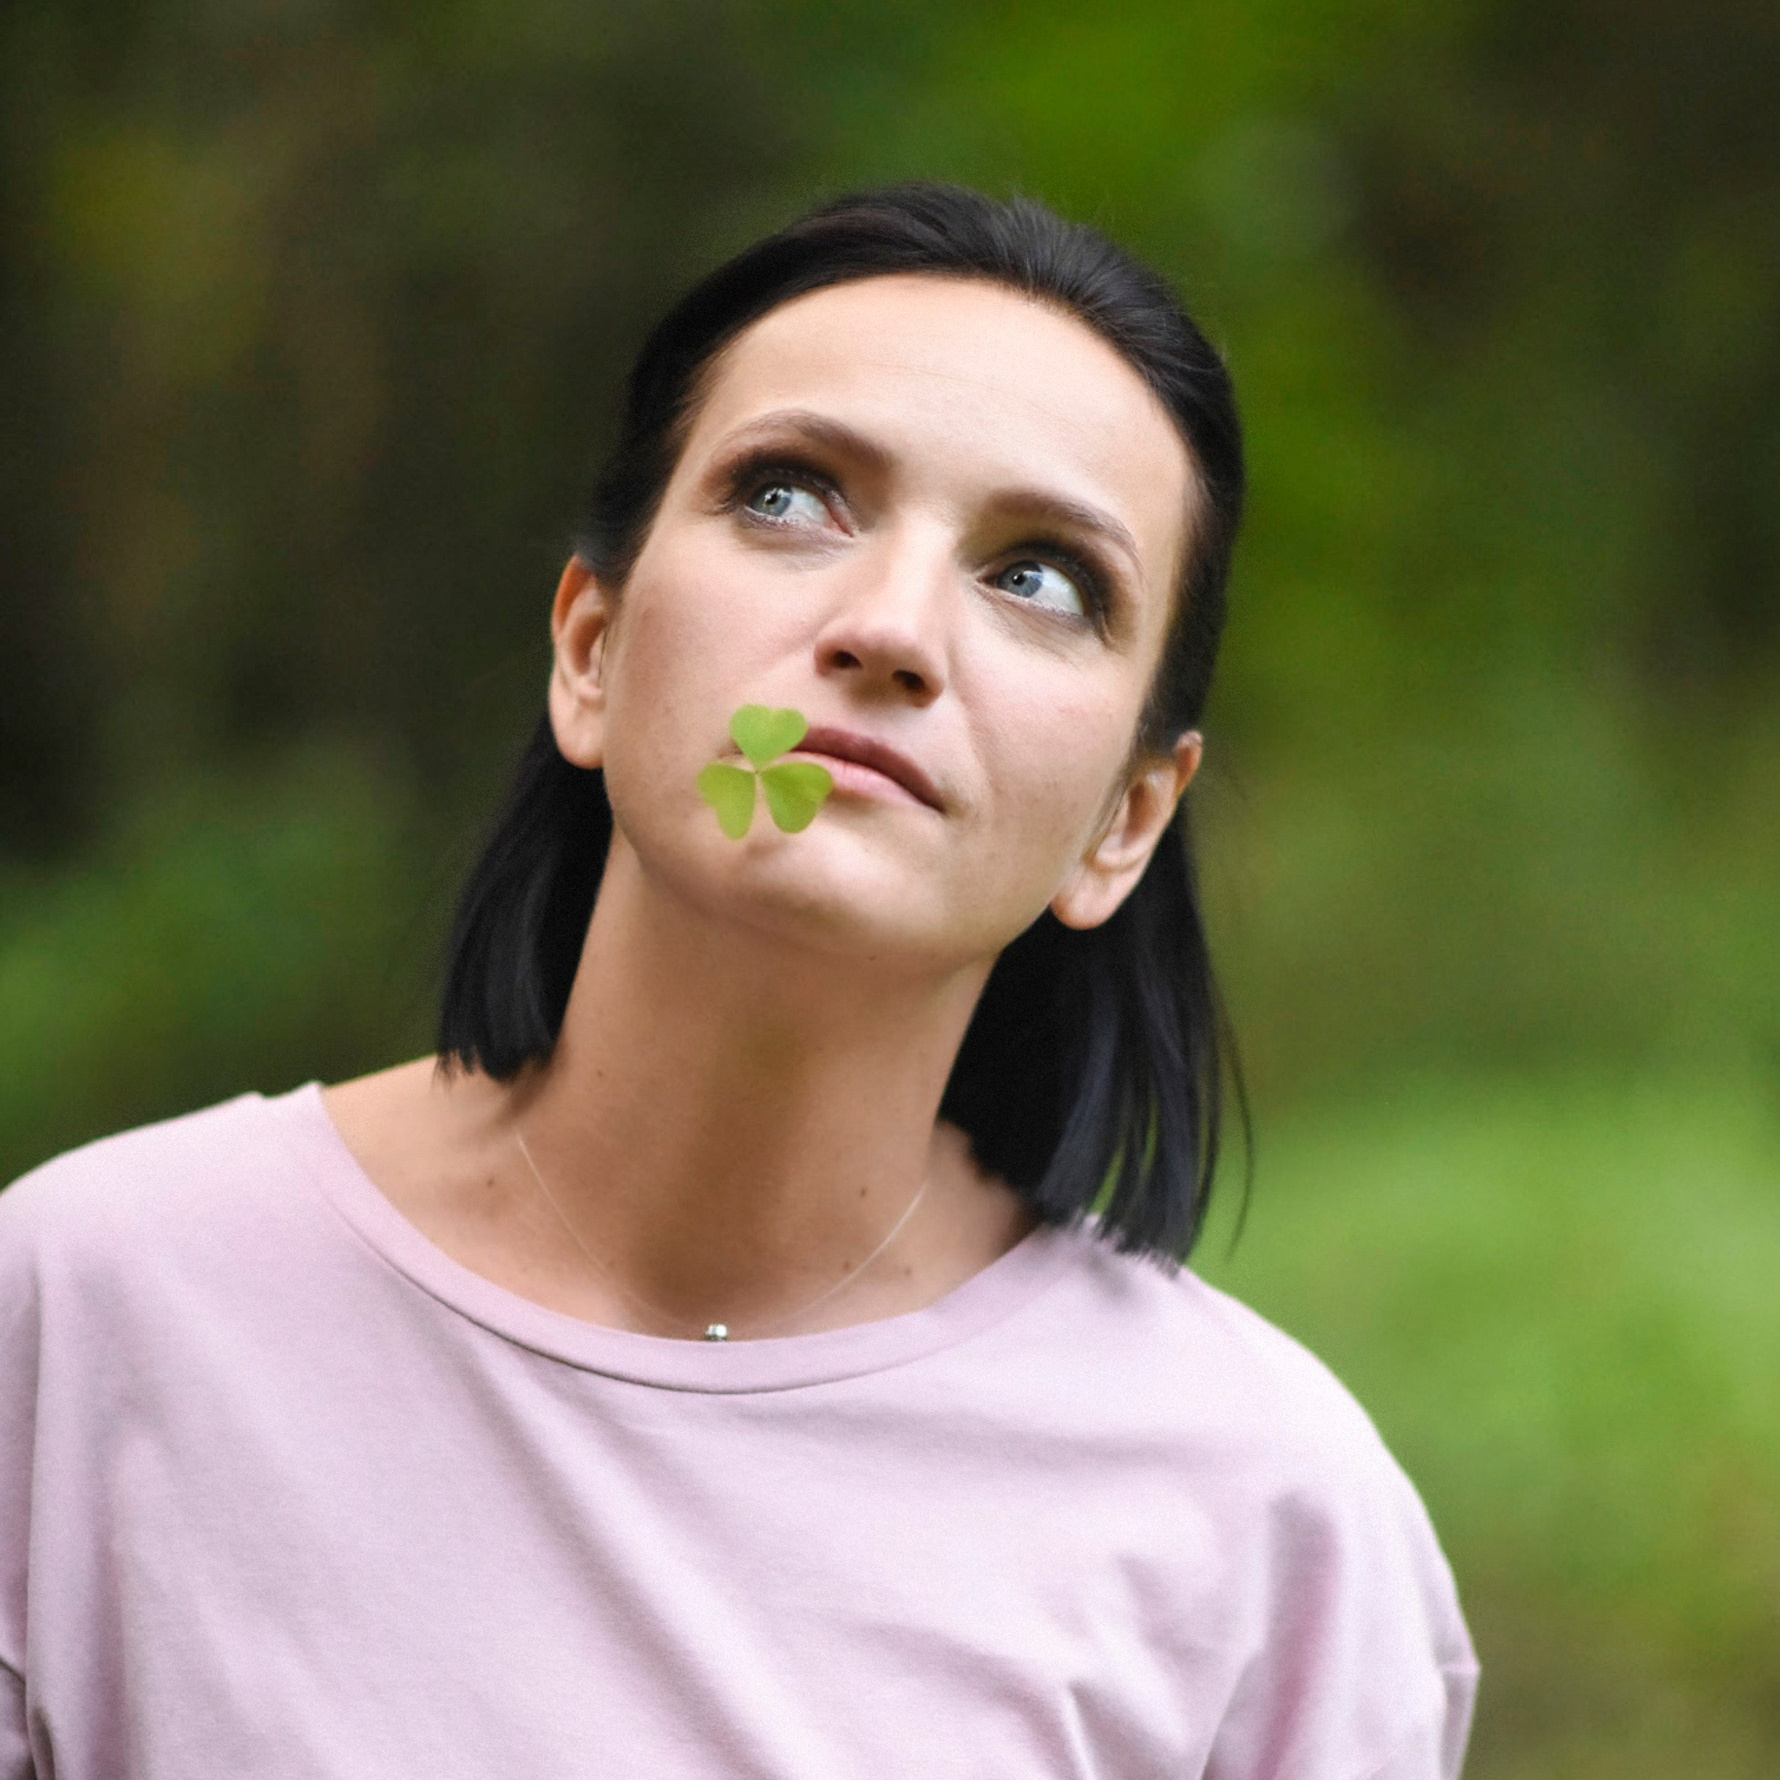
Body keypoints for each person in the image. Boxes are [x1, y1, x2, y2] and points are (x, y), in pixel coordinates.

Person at [0, 184, 1477, 1777]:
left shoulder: (1266, 1518)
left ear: (1124, 821)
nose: (893, 629)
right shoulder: (90, 1310)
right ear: (592, 649)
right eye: (790, 496)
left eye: (1041, 579)